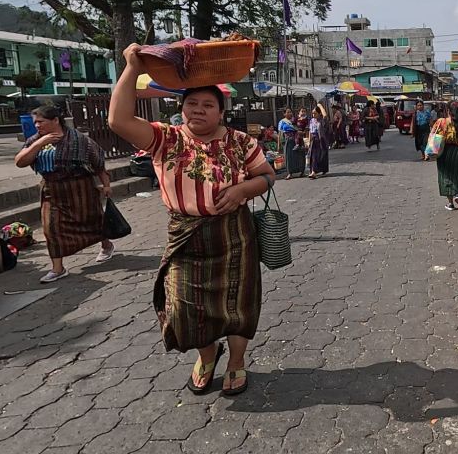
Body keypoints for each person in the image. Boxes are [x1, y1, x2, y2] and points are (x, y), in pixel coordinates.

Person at [108, 44, 275, 396]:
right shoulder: (164, 139)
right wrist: (132, 67)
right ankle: (208, 355)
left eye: (208, 105)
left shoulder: (241, 142)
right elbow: (118, 121)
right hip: (185, 235)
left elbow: (267, 176)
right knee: (187, 307)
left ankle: (236, 362)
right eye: (192, 103)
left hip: (234, 235)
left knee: (239, 305)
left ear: (221, 112)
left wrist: (243, 189)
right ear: (181, 108)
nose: (199, 109)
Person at [14, 105, 115, 283]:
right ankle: (58, 268)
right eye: (35, 122)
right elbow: (20, 162)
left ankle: (106, 245)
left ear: (55, 120)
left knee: (93, 220)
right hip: (51, 189)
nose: (37, 125)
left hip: (80, 188)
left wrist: (106, 185)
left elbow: (98, 163)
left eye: (41, 121)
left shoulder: (79, 140)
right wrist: (38, 144)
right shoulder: (35, 140)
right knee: (50, 228)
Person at [307, 106, 330, 179]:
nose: (313, 115)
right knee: (314, 156)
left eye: (315, 113)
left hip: (321, 140)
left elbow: (325, 115)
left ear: (319, 113)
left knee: (322, 156)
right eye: (313, 113)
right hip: (314, 140)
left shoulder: (322, 120)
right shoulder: (312, 121)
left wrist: (320, 106)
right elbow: (310, 131)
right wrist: (309, 141)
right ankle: (313, 171)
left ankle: (323, 169)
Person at [277, 108, 298, 180]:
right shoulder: (282, 122)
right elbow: (280, 133)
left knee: (298, 155)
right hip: (287, 140)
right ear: (284, 114)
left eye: (290, 112)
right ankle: (290, 173)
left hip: (296, 139)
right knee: (288, 156)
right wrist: (279, 144)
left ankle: (300, 170)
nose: (290, 113)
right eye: (288, 112)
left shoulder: (295, 120)